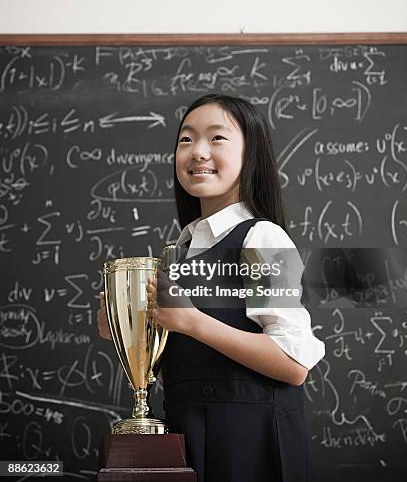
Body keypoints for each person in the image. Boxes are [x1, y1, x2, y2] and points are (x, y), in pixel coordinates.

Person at [98, 93, 325, 482]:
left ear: (250, 154)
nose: (197, 151)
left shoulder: (265, 238)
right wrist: (127, 327)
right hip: (188, 443)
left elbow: (294, 364)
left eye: (216, 138)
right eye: (186, 140)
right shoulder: (182, 249)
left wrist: (193, 322)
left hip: (253, 452)